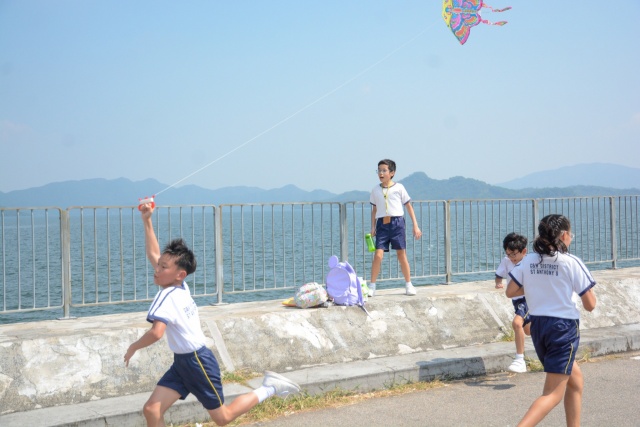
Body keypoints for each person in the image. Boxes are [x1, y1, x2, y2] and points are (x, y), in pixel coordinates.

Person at [125, 202, 300, 427]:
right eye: (158, 265)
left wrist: (133, 347)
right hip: (183, 362)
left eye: (163, 267)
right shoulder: (179, 286)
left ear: (180, 274)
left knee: (222, 417)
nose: (156, 270)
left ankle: (270, 387)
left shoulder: (167, 296)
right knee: (152, 410)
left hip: (197, 362)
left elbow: (157, 333)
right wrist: (147, 220)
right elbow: (154, 254)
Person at [506, 214, 596, 427]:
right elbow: (590, 304)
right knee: (552, 395)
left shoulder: (529, 260)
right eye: (570, 234)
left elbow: (510, 291)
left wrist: (537, 285)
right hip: (563, 329)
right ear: (564, 235)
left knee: (575, 382)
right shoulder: (571, 262)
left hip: (538, 327)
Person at [368, 159, 422, 297]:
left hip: (397, 223)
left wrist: (415, 225)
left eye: (384, 170)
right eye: (379, 170)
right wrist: (373, 227)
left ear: (392, 173)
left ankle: (409, 284)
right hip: (382, 224)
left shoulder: (399, 188)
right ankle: (372, 286)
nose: (381, 173)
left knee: (401, 254)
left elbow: (409, 207)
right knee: (378, 255)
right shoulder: (375, 190)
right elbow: (374, 210)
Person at [494, 232, 531, 373]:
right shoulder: (506, 261)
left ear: (524, 251)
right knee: (529, 331)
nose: (511, 258)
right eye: (508, 254)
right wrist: (498, 283)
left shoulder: (529, 262)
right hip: (516, 300)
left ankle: (520, 360)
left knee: (517, 323)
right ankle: (550, 345)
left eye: (514, 254)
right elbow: (499, 274)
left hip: (527, 299)